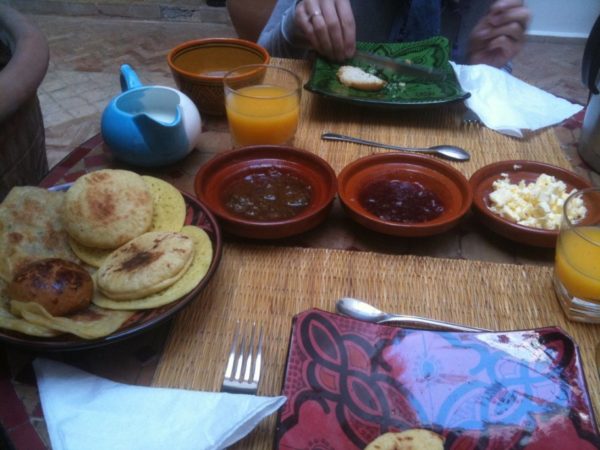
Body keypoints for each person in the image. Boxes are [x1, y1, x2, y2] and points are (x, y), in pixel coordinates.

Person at [258, 0, 530, 69]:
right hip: (329, 126)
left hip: (439, 138)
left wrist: (483, 71)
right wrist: (294, 27)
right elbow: (259, 71)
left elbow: (494, 85)